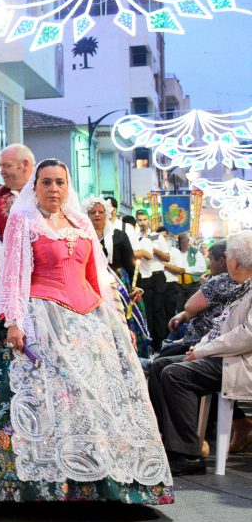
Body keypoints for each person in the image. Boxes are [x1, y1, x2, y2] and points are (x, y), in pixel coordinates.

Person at [0, 159, 173, 504]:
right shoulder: (24, 220)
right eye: (46, 182)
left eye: (59, 182)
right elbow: (15, 272)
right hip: (41, 316)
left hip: (87, 319)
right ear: (35, 187)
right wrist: (15, 322)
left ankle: (105, 479)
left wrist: (113, 317)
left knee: (96, 398)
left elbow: (95, 273)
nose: (53, 189)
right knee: (56, 398)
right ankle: (55, 483)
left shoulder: (80, 221)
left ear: (68, 187)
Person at [152, 231, 252, 475]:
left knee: (176, 374)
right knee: (160, 365)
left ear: (235, 261)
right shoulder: (243, 285)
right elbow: (221, 326)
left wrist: (203, 350)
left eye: (227, 256)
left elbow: (246, 334)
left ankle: (189, 454)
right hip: (224, 354)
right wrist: (200, 348)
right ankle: (169, 441)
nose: (224, 260)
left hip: (238, 360)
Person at [84, 196, 149, 358]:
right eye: (92, 212)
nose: (97, 215)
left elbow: (130, 263)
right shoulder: (82, 236)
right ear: (86, 214)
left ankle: (131, 355)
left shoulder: (118, 235)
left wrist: (137, 286)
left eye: (101, 212)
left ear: (107, 214)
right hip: (91, 284)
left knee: (123, 319)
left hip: (118, 283)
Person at [0, 144, 35, 268]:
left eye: (7, 165)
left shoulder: (46, 191)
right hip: (11, 273)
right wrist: (14, 263)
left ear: (25, 165)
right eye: (1, 166)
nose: (2, 171)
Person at [134, 212, 172, 350]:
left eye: (144, 220)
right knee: (147, 311)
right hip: (144, 277)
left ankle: (160, 343)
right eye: (139, 220)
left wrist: (152, 247)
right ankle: (149, 342)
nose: (142, 222)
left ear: (148, 221)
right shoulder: (135, 236)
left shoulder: (157, 236)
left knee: (159, 310)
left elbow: (167, 257)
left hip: (157, 276)